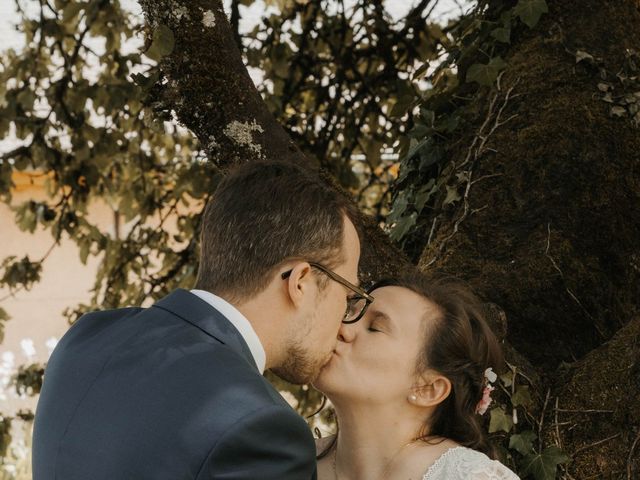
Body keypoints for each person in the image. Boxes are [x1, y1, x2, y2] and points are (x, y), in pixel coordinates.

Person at [32, 161, 371, 480]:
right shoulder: (262, 428)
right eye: (349, 294)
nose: (345, 321)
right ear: (301, 282)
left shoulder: (88, 336)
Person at [314, 272, 520, 479]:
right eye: (349, 314)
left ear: (428, 389)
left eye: (374, 328)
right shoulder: (294, 460)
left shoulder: (470, 476)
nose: (342, 327)